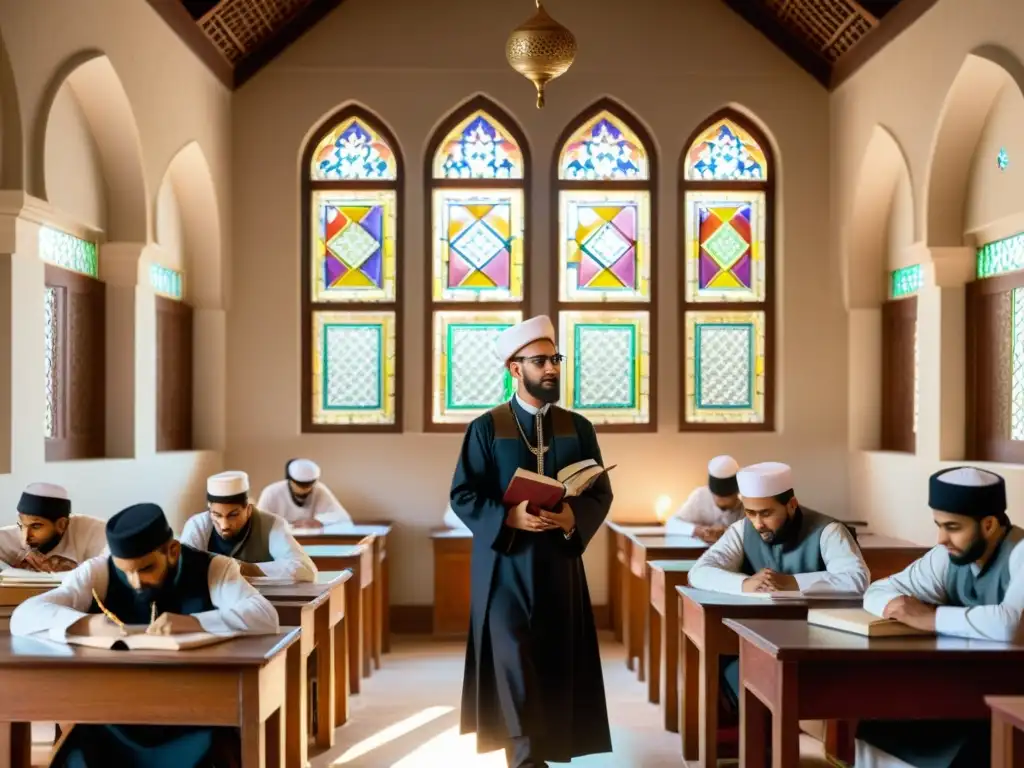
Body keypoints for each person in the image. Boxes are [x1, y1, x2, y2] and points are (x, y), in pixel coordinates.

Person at [450, 315, 613, 768]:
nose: (552, 369)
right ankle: (524, 759)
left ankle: (538, 755)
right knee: (514, 665)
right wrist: (509, 516)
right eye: (540, 361)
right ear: (515, 369)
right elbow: (463, 493)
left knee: (553, 662)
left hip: (558, 565)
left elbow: (600, 491)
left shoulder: (577, 427)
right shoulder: (486, 427)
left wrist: (570, 516)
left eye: (555, 358)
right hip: (504, 569)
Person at [11, 502, 280, 767]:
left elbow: (265, 616)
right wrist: (86, 624)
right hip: (115, 713)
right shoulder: (98, 570)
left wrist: (194, 623)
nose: (135, 583)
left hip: (195, 709)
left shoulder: (214, 568)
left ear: (172, 551)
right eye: (125, 572)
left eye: (146, 569)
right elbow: (26, 614)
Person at [855, 467, 1024, 768]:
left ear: (988, 524)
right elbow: (878, 590)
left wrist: (930, 618)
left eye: (952, 526)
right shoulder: (946, 556)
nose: (941, 538)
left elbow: (1011, 624)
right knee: (879, 724)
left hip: (1013, 695)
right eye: (938, 525)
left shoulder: (1020, 553)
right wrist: (898, 605)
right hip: (965, 688)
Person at [687, 461, 870, 714]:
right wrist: (745, 584)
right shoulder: (742, 529)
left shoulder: (828, 531)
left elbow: (857, 579)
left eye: (766, 513)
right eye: (750, 513)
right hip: (758, 636)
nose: (757, 523)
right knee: (733, 670)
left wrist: (792, 582)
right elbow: (699, 571)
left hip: (819, 641)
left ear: (791, 504)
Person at [180, 471, 316, 582]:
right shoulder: (197, 525)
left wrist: (242, 568)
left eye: (233, 515)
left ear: (248, 510)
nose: (224, 525)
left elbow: (305, 570)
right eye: (217, 515)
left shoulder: (271, 524)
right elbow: (181, 571)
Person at [0, 483, 106, 572]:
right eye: (21, 525)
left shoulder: (93, 531)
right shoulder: (9, 536)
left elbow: (114, 566)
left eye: (36, 526)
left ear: (61, 525)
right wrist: (13, 570)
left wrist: (75, 570)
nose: (25, 536)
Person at [665, 455, 744, 542]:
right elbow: (671, 524)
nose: (724, 503)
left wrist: (727, 531)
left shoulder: (745, 501)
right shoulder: (700, 497)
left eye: (728, 498)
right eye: (719, 499)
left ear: (737, 492)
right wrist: (697, 530)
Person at [256, 458, 352, 529]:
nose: (304, 489)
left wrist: (319, 521)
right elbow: (258, 524)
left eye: (309, 485)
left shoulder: (319, 489)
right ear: (289, 480)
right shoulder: (271, 492)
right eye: (300, 485)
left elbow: (343, 518)